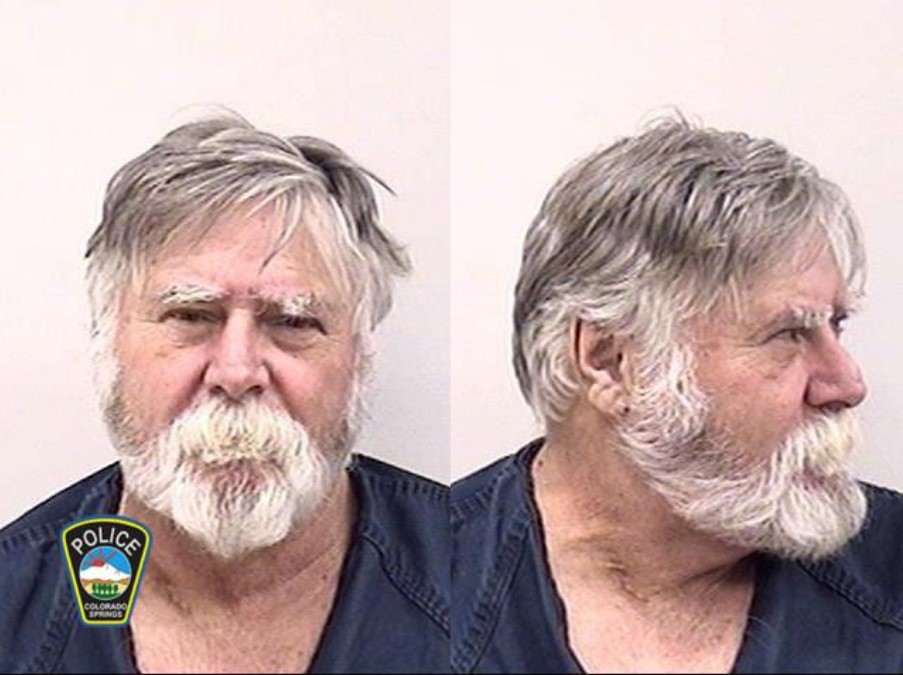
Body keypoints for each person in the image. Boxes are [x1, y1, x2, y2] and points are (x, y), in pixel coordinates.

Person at [0, 114, 449, 673]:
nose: (237, 372)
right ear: (106, 339)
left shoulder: (469, 577)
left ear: (360, 357)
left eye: (293, 321)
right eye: (191, 315)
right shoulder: (11, 616)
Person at [452, 118, 903, 673]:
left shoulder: (889, 576)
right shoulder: (440, 585)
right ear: (609, 361)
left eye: (836, 326)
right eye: (789, 333)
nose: (848, 383)